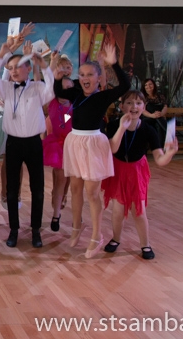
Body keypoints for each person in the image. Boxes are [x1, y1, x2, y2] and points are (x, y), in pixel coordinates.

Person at [53, 43, 130, 258]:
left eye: (90, 75)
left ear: (98, 78)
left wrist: (114, 64)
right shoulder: (77, 93)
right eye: (82, 74)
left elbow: (125, 85)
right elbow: (58, 91)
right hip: (75, 141)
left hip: (93, 143)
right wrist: (58, 77)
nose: (85, 78)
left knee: (92, 193)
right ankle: (76, 227)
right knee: (75, 189)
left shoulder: (102, 96)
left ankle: (97, 236)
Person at [0, 35, 54, 248]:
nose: (14, 71)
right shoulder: (6, 88)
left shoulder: (38, 88)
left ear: (28, 68)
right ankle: (13, 230)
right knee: (12, 189)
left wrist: (44, 66)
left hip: (33, 144)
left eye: (18, 66)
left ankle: (36, 231)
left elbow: (52, 89)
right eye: (11, 67)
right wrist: (1, 55)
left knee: (38, 188)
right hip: (13, 143)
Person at [101, 90, 177, 260]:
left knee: (139, 210)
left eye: (138, 103)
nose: (133, 106)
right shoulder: (113, 125)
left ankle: (145, 244)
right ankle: (116, 238)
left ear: (144, 107)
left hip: (137, 170)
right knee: (118, 210)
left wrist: (170, 153)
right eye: (129, 103)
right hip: (118, 169)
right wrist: (122, 128)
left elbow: (159, 159)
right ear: (122, 106)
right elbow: (112, 149)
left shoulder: (149, 130)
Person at [43, 77, 74, 232]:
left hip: (73, 145)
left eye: (69, 88)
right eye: (62, 87)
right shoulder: (52, 102)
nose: (64, 91)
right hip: (56, 144)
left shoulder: (76, 104)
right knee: (60, 178)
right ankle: (56, 215)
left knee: (70, 179)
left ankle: (63, 196)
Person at [141, 78, 168, 146]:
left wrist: (161, 113)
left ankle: (159, 146)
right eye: (146, 85)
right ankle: (162, 144)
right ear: (144, 87)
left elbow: (165, 107)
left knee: (158, 123)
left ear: (154, 85)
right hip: (147, 118)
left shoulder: (160, 96)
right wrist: (152, 115)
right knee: (158, 121)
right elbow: (142, 110)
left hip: (159, 116)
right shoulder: (142, 97)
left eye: (150, 84)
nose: (148, 86)